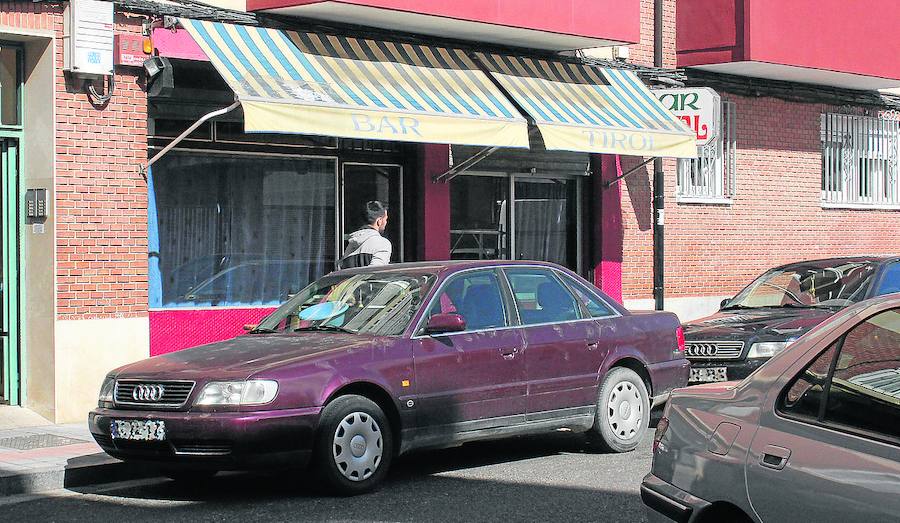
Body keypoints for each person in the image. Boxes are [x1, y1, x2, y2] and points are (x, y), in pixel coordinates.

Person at [338, 201, 392, 268]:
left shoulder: (348, 246)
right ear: (379, 221)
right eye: (385, 219)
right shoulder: (382, 243)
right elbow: (376, 272)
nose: (386, 223)